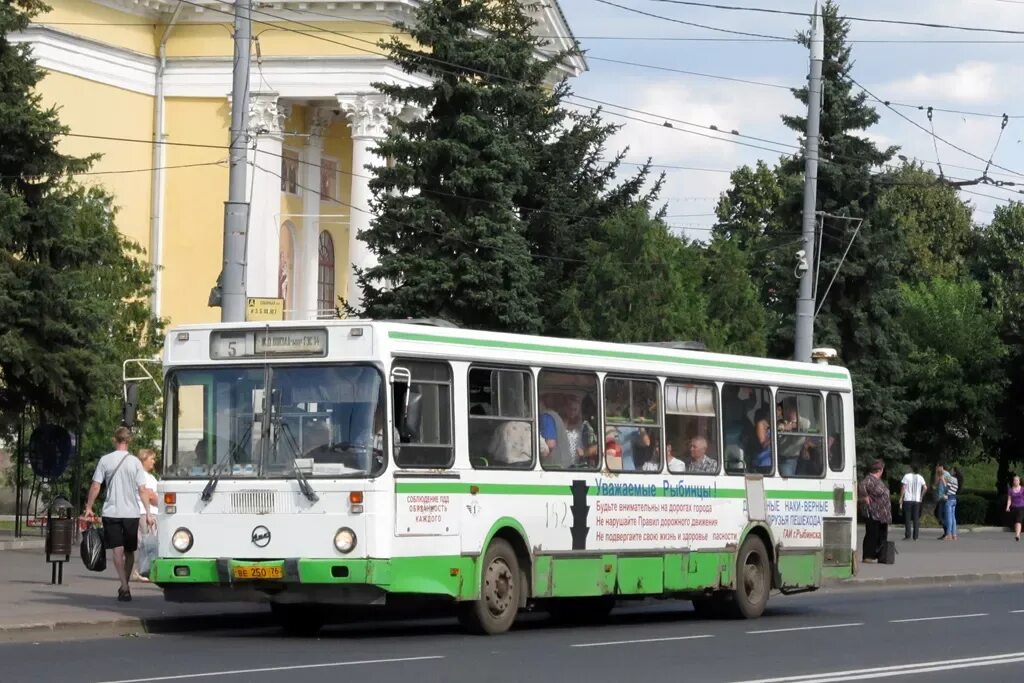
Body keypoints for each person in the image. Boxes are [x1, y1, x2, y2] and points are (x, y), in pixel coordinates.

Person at [80, 427, 153, 602]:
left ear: (115, 440)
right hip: (131, 513)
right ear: (129, 441)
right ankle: (125, 585)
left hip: (111, 512)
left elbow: (96, 485)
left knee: (117, 551)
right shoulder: (135, 462)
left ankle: (124, 585)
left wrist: (89, 507)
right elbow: (142, 490)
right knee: (129, 552)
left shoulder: (105, 460)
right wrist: (148, 512)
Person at [131, 448, 159, 583]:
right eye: (151, 459)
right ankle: (141, 570)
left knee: (151, 543)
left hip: (153, 512)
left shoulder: (151, 477)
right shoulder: (141, 475)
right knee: (144, 542)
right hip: (144, 512)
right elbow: (150, 495)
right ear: (144, 459)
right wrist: (159, 500)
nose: (154, 461)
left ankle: (147, 569)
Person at [858, 459, 891, 563]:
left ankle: (880, 555)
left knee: (881, 535)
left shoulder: (878, 481)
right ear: (879, 470)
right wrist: (864, 497)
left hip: (882, 514)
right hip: (873, 513)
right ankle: (868, 556)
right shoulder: (869, 480)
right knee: (872, 534)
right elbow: (862, 489)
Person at [899, 465, 927, 541]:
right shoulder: (920, 477)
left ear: (911, 469)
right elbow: (925, 488)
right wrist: (921, 496)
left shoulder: (907, 476)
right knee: (916, 518)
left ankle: (908, 535)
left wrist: (901, 497)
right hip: (917, 500)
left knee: (907, 518)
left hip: (908, 499)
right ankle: (916, 536)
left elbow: (904, 487)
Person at [936, 464, 959, 541]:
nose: (950, 471)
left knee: (948, 518)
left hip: (949, 500)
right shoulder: (956, 480)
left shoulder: (951, 479)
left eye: (952, 470)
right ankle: (954, 535)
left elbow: (946, 489)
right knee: (953, 518)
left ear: (954, 472)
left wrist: (943, 480)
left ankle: (948, 534)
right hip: (954, 499)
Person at [1005, 475, 1024, 542]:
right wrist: (1007, 507)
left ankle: (1017, 535)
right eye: (1014, 480)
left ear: (1019, 481)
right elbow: (1009, 500)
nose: (1015, 481)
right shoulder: (1010, 490)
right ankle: (1017, 534)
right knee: (1016, 522)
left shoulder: (1023, 489)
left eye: (1017, 480)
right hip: (1013, 507)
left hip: (1021, 507)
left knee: (1019, 521)